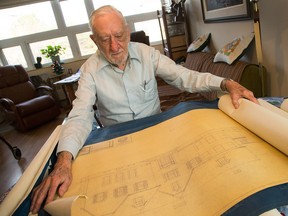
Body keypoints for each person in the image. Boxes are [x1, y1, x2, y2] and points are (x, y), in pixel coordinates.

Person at [30, 5, 258, 214]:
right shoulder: (89, 70)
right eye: (105, 39)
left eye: (119, 36)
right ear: (94, 40)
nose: (115, 46)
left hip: (158, 135)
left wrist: (225, 83)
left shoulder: (148, 54)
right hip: (118, 143)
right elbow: (80, 114)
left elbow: (184, 77)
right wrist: (63, 161)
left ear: (127, 32)